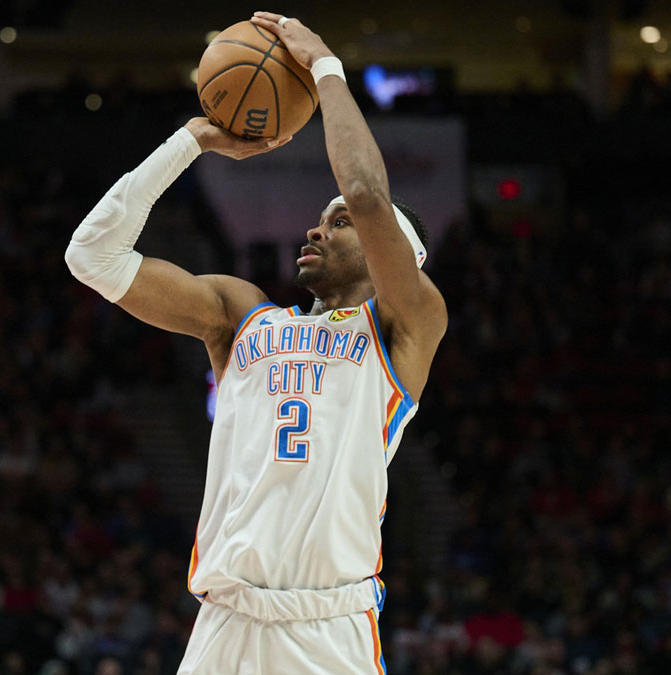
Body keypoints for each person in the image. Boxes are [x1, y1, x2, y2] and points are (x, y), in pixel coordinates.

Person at [64, 12, 447, 674]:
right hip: (226, 623)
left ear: (398, 254)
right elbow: (90, 256)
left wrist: (325, 69)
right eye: (320, 218)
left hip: (328, 627)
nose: (317, 228)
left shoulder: (407, 324)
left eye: (339, 223)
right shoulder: (244, 317)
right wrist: (191, 141)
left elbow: (364, 191)